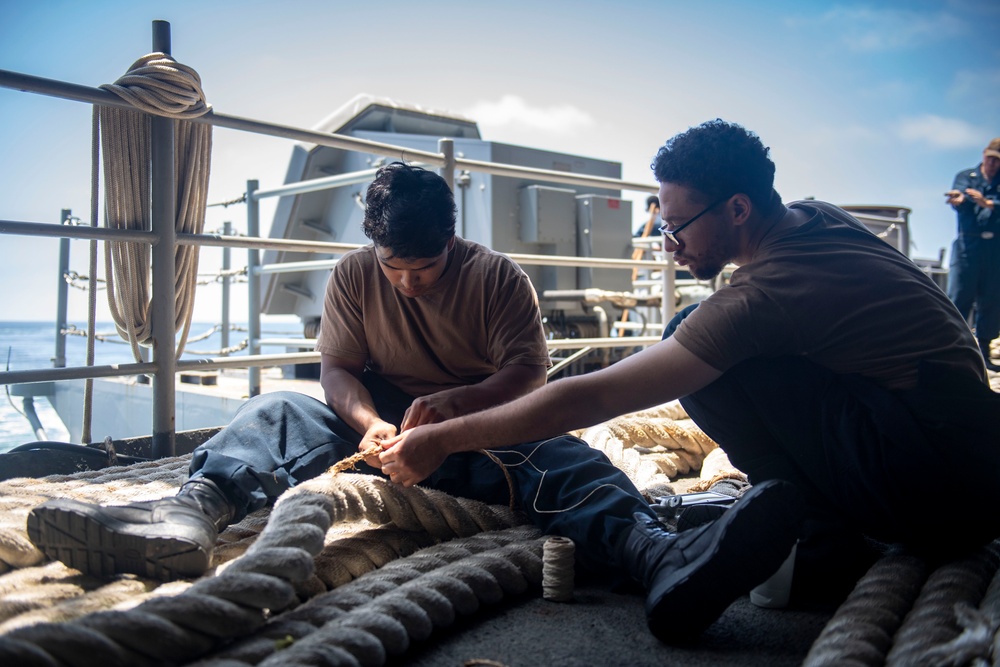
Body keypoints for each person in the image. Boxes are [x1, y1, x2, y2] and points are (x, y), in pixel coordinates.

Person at [27, 161, 805, 645]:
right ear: (374, 247)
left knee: (570, 460)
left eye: (425, 268)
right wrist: (370, 425)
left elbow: (529, 377)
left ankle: (657, 557)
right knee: (278, 412)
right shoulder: (353, 275)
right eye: (394, 267)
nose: (408, 283)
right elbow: (335, 369)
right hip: (386, 415)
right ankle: (188, 512)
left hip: (482, 421)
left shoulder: (497, 277)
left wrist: (456, 414)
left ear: (453, 244)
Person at [382, 121, 1000, 640]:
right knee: (701, 332)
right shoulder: (818, 217)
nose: (669, 245)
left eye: (677, 227)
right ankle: (817, 518)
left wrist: (445, 439)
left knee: (703, 347)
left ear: (738, 208)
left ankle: (818, 541)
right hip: (965, 451)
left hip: (940, 489)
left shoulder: (765, 296)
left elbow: (592, 394)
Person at [945, 138, 1000, 371]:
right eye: (990, 158)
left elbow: (989, 203)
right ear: (983, 155)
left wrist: (988, 203)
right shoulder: (967, 176)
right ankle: (951, 349)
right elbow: (958, 196)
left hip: (994, 249)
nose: (992, 163)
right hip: (968, 246)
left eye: (997, 160)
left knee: (991, 299)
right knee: (959, 297)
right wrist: (962, 199)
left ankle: (984, 351)